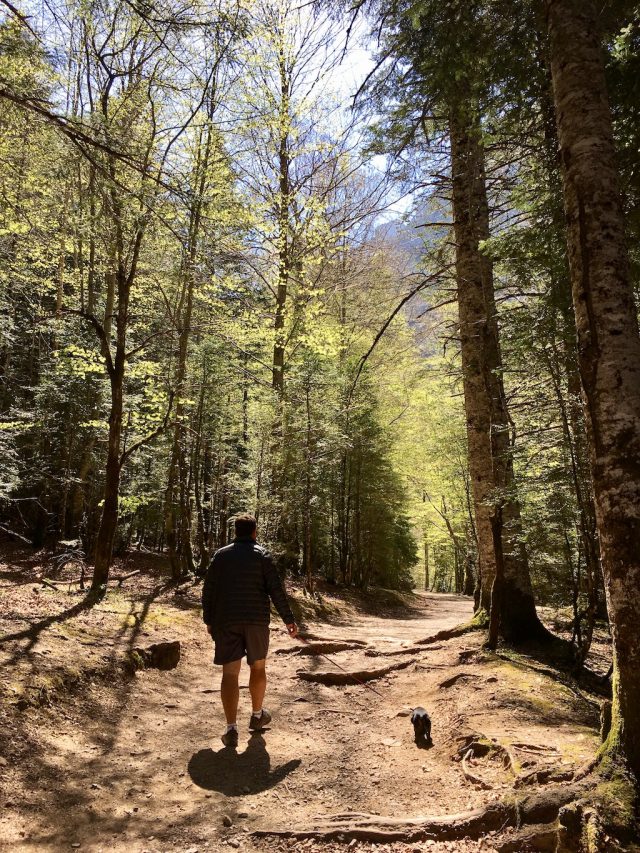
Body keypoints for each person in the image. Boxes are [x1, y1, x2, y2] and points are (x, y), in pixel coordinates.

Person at [202, 513, 298, 747]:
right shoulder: (262, 555)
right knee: (258, 667)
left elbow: (208, 590)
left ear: (236, 532)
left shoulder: (220, 556)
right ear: (254, 532)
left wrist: (209, 620)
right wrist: (289, 620)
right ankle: (256, 716)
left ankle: (231, 728)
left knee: (230, 674)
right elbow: (276, 590)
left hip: (227, 620)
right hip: (256, 621)